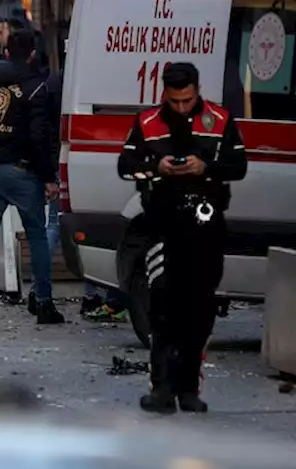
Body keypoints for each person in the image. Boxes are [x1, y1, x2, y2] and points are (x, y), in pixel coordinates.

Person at [117, 62, 246, 414]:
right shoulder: (146, 124)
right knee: (161, 308)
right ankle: (161, 389)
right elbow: (125, 165)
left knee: (200, 310)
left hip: (206, 226)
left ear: (197, 90)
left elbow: (239, 166)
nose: (182, 108)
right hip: (162, 223)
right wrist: (156, 168)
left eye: (187, 100)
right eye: (174, 101)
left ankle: (189, 388)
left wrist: (206, 168)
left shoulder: (219, 120)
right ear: (164, 94)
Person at [0, 28, 64, 324]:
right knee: (37, 236)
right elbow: (38, 137)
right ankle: (43, 302)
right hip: (21, 170)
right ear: (32, 54)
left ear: (6, 52)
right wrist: (48, 177)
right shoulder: (35, 87)